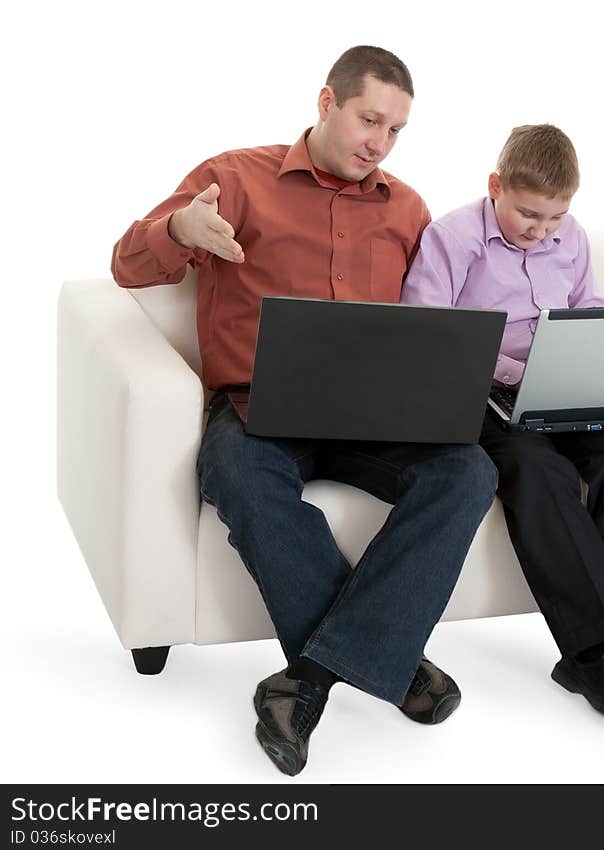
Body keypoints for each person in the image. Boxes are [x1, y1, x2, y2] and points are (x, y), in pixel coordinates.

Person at [111, 46, 498, 776]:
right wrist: (181, 233)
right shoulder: (232, 177)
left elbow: (433, 320)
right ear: (327, 103)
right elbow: (127, 263)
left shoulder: (408, 208)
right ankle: (393, 659)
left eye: (396, 130)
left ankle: (308, 680)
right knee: (233, 471)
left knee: (468, 472)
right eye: (369, 119)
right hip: (260, 408)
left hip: (374, 415)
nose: (380, 142)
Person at [401, 124, 604, 727]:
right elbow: (428, 335)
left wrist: (601, 345)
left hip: (567, 388)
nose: (541, 230)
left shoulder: (572, 237)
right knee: (536, 469)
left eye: (555, 218)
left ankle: (602, 657)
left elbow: (587, 302)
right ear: (495, 187)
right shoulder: (451, 239)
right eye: (529, 214)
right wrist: (517, 366)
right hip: (486, 398)